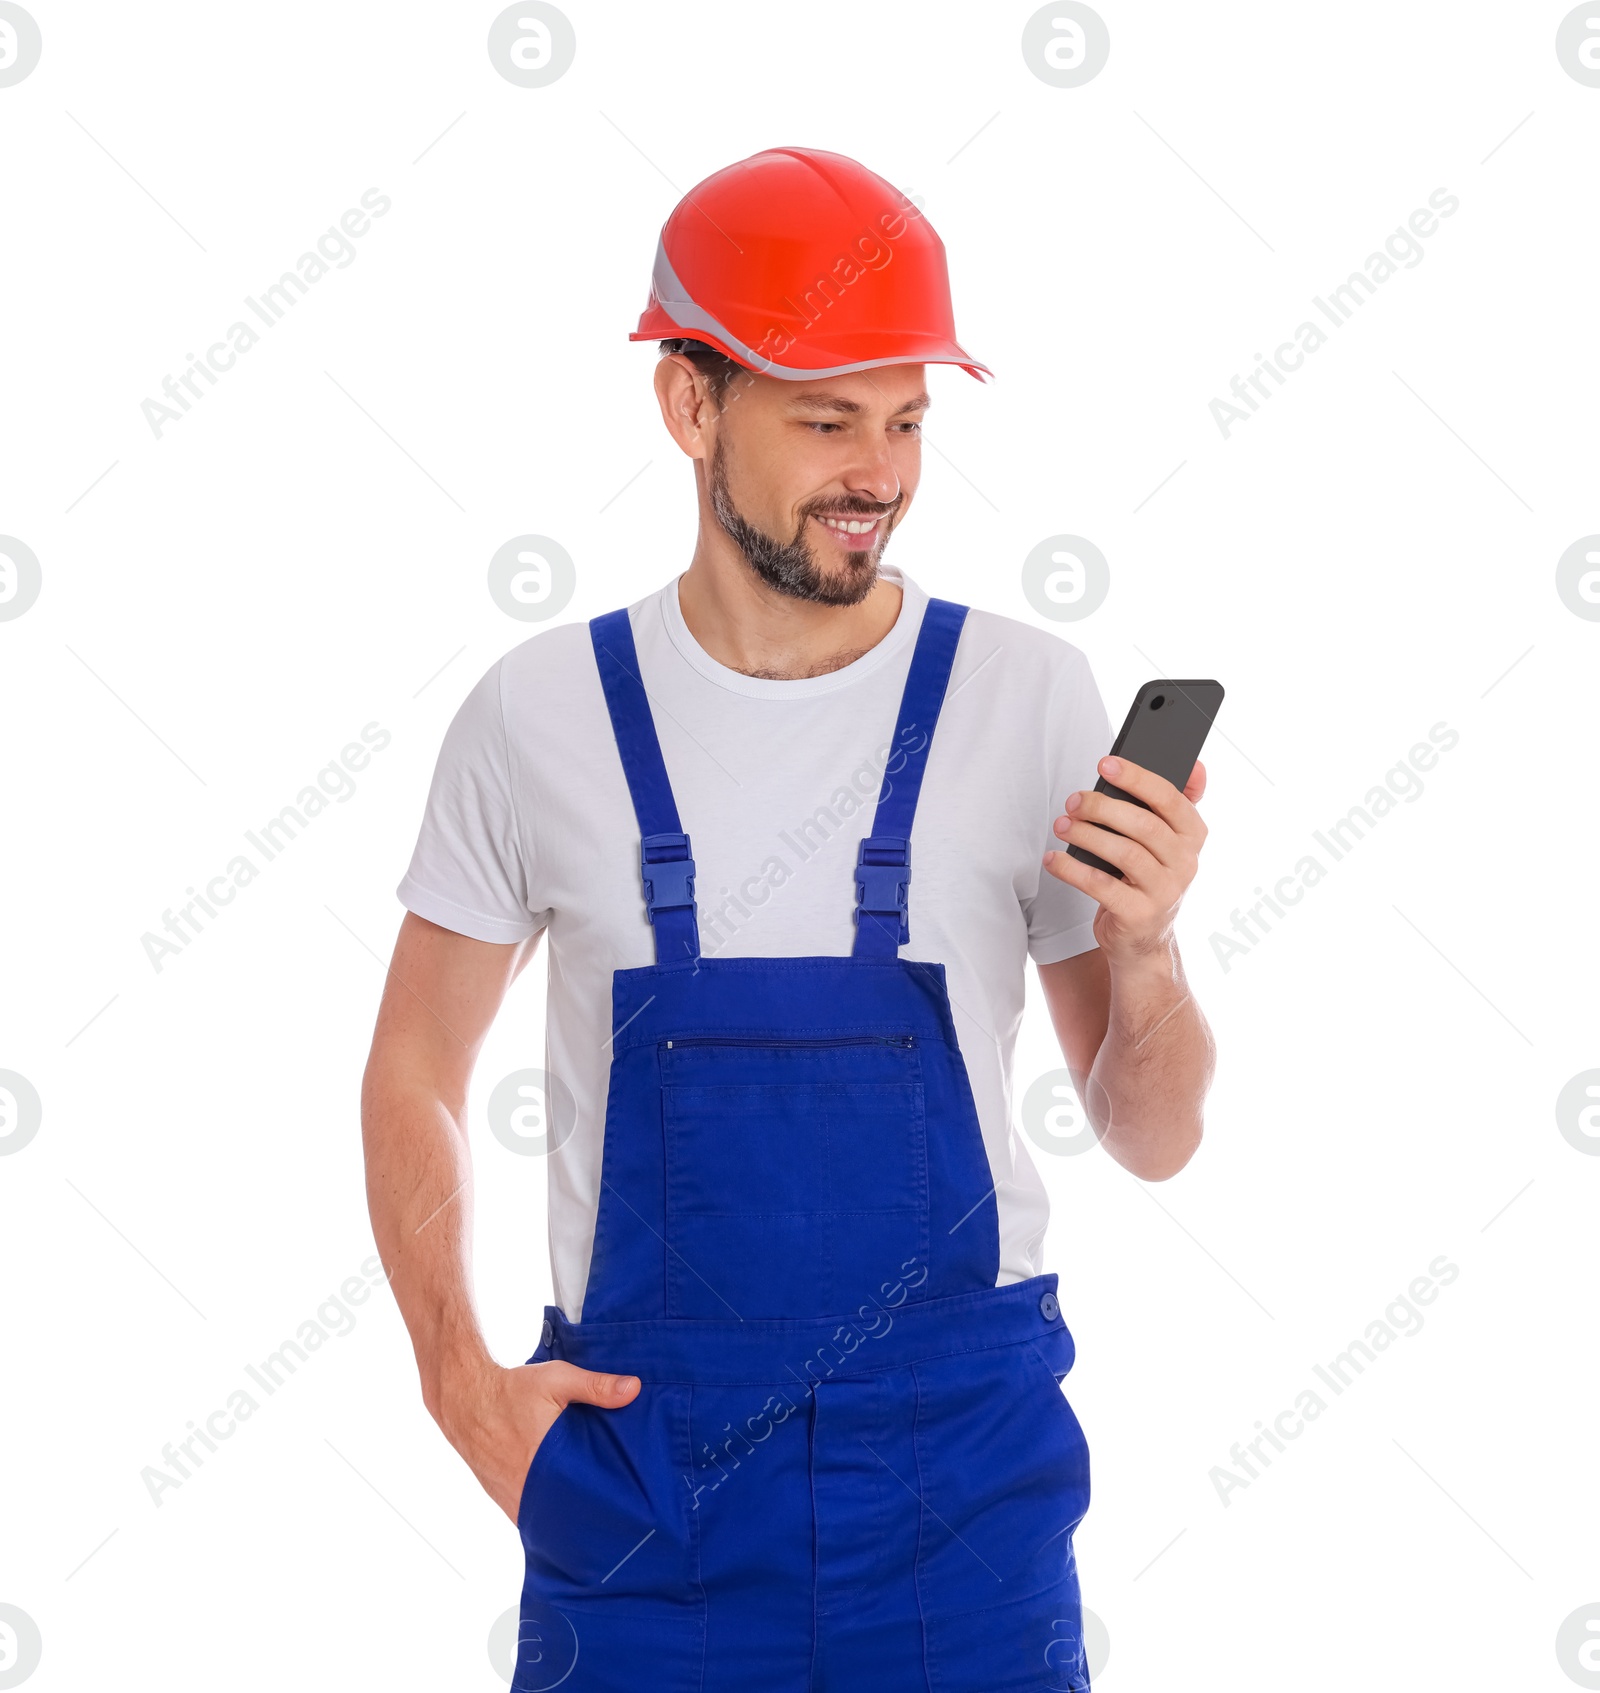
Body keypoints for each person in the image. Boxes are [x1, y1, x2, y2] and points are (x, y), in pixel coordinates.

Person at [361, 145, 1213, 1693]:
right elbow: (412, 1068)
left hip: (966, 1501)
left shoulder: (1028, 698)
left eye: (905, 421)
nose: (875, 472)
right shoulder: (536, 716)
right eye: (824, 420)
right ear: (691, 407)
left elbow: (1151, 1135)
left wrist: (1145, 950)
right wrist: (460, 1387)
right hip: (644, 1507)